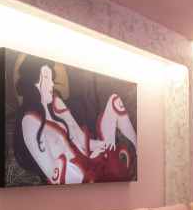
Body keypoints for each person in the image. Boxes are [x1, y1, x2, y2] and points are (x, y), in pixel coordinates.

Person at [12, 54, 137, 184]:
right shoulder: (29, 122)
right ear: (33, 83)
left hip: (89, 157)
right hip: (77, 176)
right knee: (115, 171)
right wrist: (87, 168)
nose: (52, 84)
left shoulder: (56, 102)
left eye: (51, 78)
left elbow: (81, 139)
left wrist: (103, 145)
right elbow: (52, 173)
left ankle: (138, 151)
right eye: (47, 78)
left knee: (115, 101)